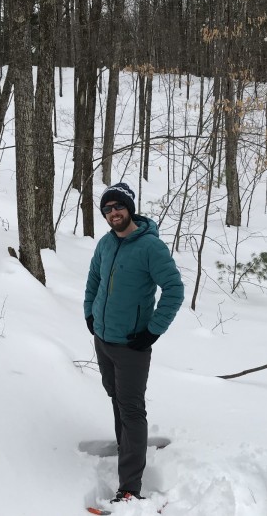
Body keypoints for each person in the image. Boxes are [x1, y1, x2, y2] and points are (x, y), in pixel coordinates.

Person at [83, 182, 184, 505]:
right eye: (108, 209)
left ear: (130, 208)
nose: (113, 213)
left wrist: (152, 331)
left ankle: (130, 487)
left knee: (131, 408)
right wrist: (90, 314)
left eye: (118, 206)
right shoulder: (105, 244)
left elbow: (174, 290)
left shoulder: (150, 247)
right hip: (103, 339)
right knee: (116, 398)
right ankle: (125, 444)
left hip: (131, 346)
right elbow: (94, 280)